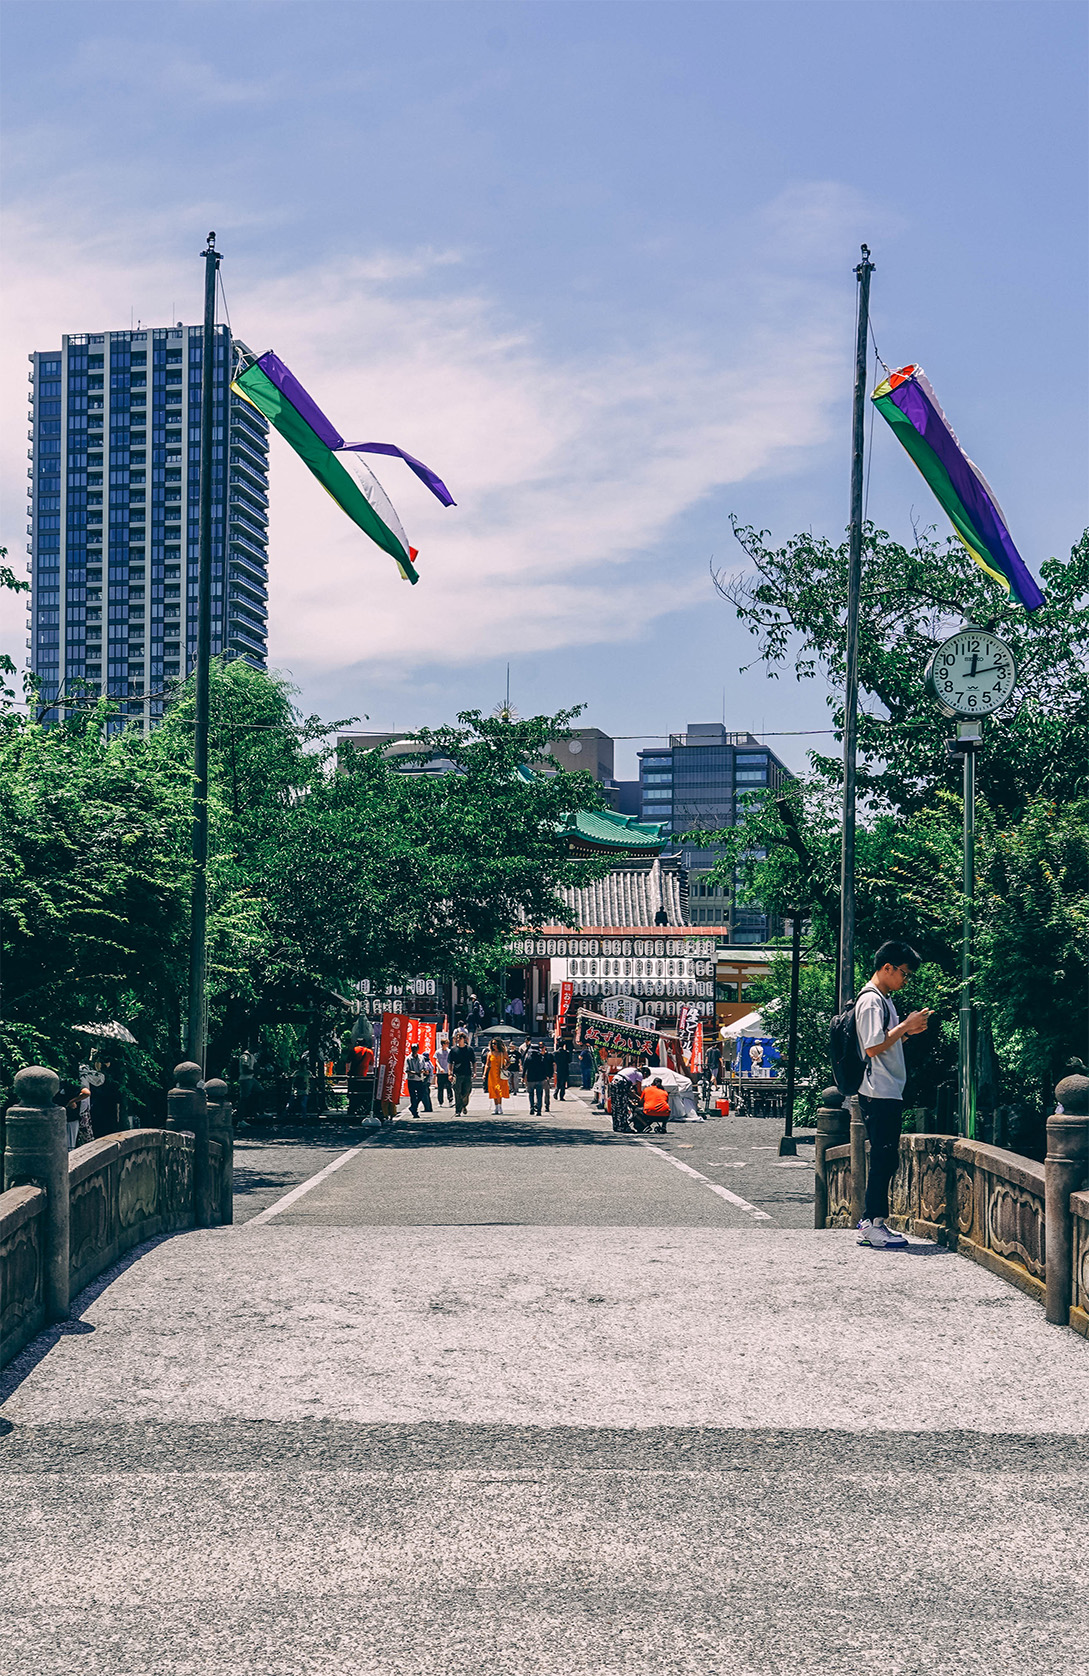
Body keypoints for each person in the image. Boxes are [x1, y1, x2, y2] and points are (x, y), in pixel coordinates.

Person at [855, 940, 931, 1250]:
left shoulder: (883, 1000)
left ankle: (871, 1222)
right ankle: (874, 1223)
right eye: (903, 972)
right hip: (878, 1090)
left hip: (886, 1089)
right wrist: (905, 1026)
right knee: (884, 1157)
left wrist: (906, 1031)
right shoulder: (871, 1001)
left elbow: (883, 1043)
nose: (905, 979)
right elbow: (872, 1046)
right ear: (887, 968)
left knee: (887, 1157)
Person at [448, 1031, 476, 1115]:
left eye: (460, 1038)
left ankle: (464, 1105)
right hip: (457, 1074)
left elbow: (473, 1061)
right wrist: (450, 1074)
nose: (458, 1040)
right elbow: (450, 1062)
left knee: (467, 1091)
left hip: (467, 1073)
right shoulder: (453, 1050)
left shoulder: (469, 1049)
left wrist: (474, 1072)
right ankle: (458, 1110)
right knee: (457, 1092)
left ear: (464, 1039)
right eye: (457, 1038)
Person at [523, 1044, 549, 1116]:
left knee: (531, 1094)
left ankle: (531, 1108)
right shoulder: (541, 1057)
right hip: (540, 1078)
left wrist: (523, 1076)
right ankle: (539, 1110)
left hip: (530, 1078)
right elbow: (545, 1067)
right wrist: (546, 1076)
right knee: (539, 1094)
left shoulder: (528, 1057)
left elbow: (525, 1067)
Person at [485, 1040, 509, 1115]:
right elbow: (487, 1064)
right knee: (493, 1090)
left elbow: (509, 1061)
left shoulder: (503, 1053)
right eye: (492, 1044)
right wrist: (484, 1074)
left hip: (500, 1073)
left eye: (495, 1043)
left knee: (499, 1090)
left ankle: (500, 1106)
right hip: (492, 1074)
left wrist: (506, 1067)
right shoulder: (489, 1053)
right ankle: (496, 1107)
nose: (493, 1045)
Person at [405, 1044, 427, 1118]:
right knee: (413, 1096)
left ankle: (413, 1107)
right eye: (413, 1048)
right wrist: (415, 1073)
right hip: (411, 1079)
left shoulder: (421, 1058)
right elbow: (407, 1070)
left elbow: (424, 1067)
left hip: (419, 1079)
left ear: (418, 1049)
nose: (414, 1050)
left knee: (421, 1095)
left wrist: (423, 1071)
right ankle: (415, 1111)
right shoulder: (408, 1058)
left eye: (416, 1048)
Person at [435, 1037, 452, 1107]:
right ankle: (440, 1102)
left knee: (449, 1087)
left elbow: (451, 1061)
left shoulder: (449, 1051)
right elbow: (436, 1061)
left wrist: (450, 1071)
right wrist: (440, 1068)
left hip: (447, 1072)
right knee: (440, 1088)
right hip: (440, 1072)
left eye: (448, 1043)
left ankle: (450, 1100)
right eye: (446, 1043)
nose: (447, 1045)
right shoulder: (438, 1052)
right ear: (443, 1044)